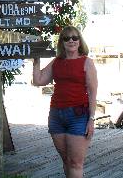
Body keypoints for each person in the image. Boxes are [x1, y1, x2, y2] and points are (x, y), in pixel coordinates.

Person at [32, 25, 98, 178]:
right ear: (61, 42)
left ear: (80, 41)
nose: (71, 41)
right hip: (56, 116)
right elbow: (38, 80)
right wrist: (36, 59)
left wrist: (91, 120)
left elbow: (93, 92)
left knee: (75, 163)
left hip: (78, 116)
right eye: (66, 38)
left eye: (75, 38)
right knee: (67, 161)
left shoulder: (87, 62)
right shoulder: (57, 62)